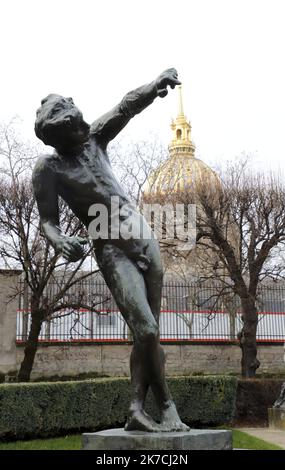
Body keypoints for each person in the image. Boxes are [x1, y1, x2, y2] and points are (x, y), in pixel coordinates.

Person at [32, 68, 189, 432]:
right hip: (110, 248)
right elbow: (47, 221)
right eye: (74, 128)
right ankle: (166, 405)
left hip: (142, 235)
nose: (84, 128)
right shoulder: (49, 168)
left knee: (147, 334)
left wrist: (153, 87)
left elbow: (125, 107)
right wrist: (59, 241)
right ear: (58, 137)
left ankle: (137, 409)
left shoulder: (94, 138)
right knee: (147, 330)